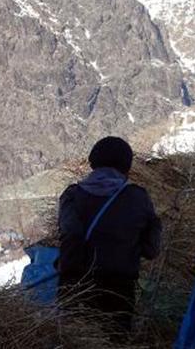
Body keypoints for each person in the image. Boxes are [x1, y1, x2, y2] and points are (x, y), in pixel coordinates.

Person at [57, 136, 161, 332]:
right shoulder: (138, 198)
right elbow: (151, 250)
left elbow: (69, 235)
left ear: (93, 162)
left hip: (75, 288)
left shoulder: (72, 195)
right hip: (119, 291)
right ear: (126, 166)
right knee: (114, 339)